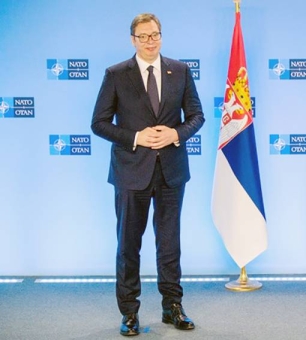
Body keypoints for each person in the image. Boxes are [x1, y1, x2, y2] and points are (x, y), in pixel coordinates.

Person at [91, 13, 205, 336]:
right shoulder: (116, 75)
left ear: (161, 36)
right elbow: (98, 123)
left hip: (171, 172)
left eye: (154, 35)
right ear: (133, 40)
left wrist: (176, 134)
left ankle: (172, 306)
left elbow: (196, 116)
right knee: (128, 246)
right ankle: (129, 312)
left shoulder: (180, 71)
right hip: (131, 173)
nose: (150, 41)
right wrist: (136, 137)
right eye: (143, 36)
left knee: (170, 245)